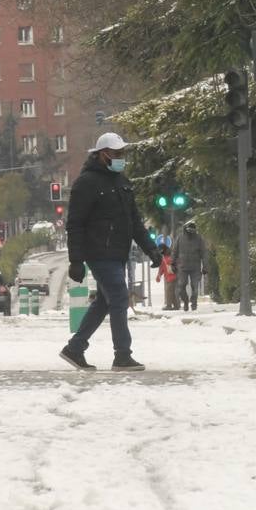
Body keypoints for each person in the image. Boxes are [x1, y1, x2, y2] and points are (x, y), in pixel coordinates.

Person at [60, 131, 161, 371]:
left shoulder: (122, 182)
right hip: (99, 253)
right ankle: (122, 354)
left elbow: (134, 222)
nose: (121, 158)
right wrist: (76, 261)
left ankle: (75, 348)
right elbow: (75, 224)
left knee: (104, 303)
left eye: (122, 153)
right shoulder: (86, 183)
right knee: (118, 297)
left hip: (118, 253)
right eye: (117, 154)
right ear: (102, 155)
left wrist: (152, 250)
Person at [171, 220, 207, 311]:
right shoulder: (180, 238)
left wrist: (205, 266)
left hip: (195, 267)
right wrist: (172, 263)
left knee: (195, 287)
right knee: (181, 286)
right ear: (186, 230)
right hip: (182, 267)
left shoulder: (199, 238)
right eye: (190, 231)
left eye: (193, 231)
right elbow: (174, 251)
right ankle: (186, 301)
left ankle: (194, 302)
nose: (191, 233)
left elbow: (204, 253)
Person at [155, 243, 176, 310]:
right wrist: (159, 276)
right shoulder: (165, 256)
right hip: (169, 276)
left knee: (169, 292)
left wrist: (159, 276)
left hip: (172, 276)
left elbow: (162, 267)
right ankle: (176, 305)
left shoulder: (169, 256)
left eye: (160, 250)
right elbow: (162, 268)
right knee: (172, 292)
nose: (160, 252)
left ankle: (169, 305)